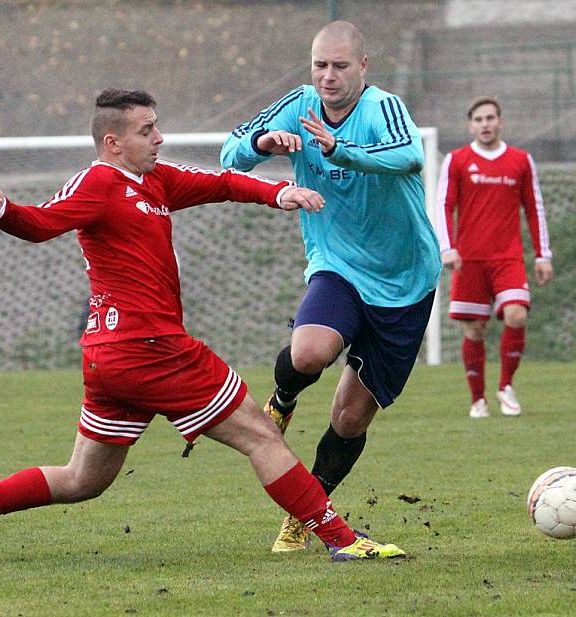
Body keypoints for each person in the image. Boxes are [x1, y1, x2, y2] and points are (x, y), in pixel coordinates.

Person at [0, 88, 406, 562]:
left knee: (83, 480)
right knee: (262, 435)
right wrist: (3, 212)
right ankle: (341, 539)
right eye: (147, 130)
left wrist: (279, 192)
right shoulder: (99, 183)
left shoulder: (155, 181)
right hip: (151, 348)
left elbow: (222, 183)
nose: (160, 137)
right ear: (114, 143)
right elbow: (43, 222)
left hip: (113, 358)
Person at [220, 21, 441, 553]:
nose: (328, 76)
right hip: (337, 265)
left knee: (348, 416)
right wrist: (262, 142)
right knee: (309, 350)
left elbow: (407, 156)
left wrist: (339, 150)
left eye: (340, 66)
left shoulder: (383, 107)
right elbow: (230, 153)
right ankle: (282, 399)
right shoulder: (297, 104)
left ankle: (305, 515)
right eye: (320, 65)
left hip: (405, 283)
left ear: (363, 67)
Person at [436, 96, 553, 419]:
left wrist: (543, 255)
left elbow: (534, 208)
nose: (485, 124)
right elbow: (444, 205)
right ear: (470, 125)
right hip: (470, 260)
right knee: (474, 330)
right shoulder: (457, 160)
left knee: (516, 315)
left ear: (500, 121)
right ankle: (478, 400)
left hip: (508, 259)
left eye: (490, 118)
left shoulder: (520, 160)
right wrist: (448, 247)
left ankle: (505, 386)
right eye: (479, 119)